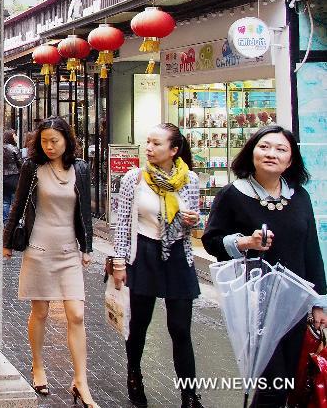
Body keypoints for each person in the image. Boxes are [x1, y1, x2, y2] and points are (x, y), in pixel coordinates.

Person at [202, 125, 327, 408]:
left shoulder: (300, 197)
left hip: (295, 305)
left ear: (291, 159)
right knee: (273, 385)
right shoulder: (232, 194)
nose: (272, 154)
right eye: (264, 146)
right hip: (254, 305)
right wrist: (246, 242)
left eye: (281, 149)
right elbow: (211, 241)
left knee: (288, 384)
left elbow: (311, 251)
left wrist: (319, 303)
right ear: (252, 152)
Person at [2, 117, 96, 407]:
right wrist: (7, 242)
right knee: (40, 310)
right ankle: (38, 365)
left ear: (67, 140)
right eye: (44, 141)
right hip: (38, 248)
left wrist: (87, 246)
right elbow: (18, 204)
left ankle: (81, 380)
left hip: (68, 250)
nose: (50, 146)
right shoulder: (32, 167)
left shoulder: (79, 168)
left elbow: (85, 211)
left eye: (55, 140)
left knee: (76, 314)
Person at [110, 123, 204, 408]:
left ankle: (189, 394)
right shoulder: (134, 178)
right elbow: (122, 223)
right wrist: (118, 262)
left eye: (156, 144)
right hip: (144, 253)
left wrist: (193, 221)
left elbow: (196, 222)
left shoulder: (189, 179)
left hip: (178, 255)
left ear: (174, 150)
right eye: (147, 142)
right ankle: (134, 374)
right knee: (139, 325)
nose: (148, 148)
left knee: (180, 328)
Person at [2, 129, 22, 221]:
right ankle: (14, 220)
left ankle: (5, 221)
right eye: (15, 135)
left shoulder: (0, 148)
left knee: (5, 201)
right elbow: (20, 163)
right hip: (13, 177)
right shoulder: (13, 148)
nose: (16, 137)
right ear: (11, 136)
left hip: (3, 177)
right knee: (15, 200)